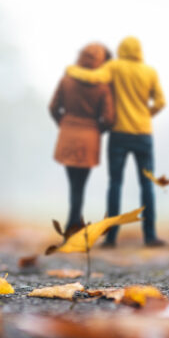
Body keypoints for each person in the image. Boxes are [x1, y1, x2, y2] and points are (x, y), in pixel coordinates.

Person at [65, 36, 166, 247]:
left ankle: (111, 238)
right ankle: (150, 236)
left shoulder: (115, 67)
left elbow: (94, 77)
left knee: (115, 184)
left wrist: (72, 70)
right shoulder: (150, 72)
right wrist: (146, 114)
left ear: (121, 49)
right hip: (143, 134)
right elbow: (161, 102)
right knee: (147, 184)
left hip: (119, 134)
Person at [48, 42, 115, 236]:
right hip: (89, 139)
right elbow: (109, 119)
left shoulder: (66, 80)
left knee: (73, 183)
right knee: (81, 184)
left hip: (68, 136)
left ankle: (73, 222)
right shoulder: (103, 86)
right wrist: (96, 130)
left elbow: (53, 108)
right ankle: (73, 223)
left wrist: (65, 124)